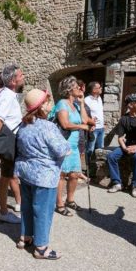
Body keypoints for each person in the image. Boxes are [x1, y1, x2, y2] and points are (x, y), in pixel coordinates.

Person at [15, 89, 71, 260]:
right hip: (44, 175)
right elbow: (62, 149)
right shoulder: (48, 127)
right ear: (41, 107)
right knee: (43, 211)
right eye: (47, 101)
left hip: (25, 172)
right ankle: (41, 247)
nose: (50, 104)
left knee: (27, 206)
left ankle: (26, 236)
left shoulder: (23, 125)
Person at [49, 76, 89, 216]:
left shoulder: (76, 105)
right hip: (63, 144)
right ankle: (59, 204)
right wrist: (81, 126)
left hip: (74, 145)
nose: (79, 88)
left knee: (74, 174)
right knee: (62, 174)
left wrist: (82, 103)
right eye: (77, 86)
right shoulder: (62, 104)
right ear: (69, 89)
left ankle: (70, 200)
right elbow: (65, 124)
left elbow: (85, 119)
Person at [0, 63, 25, 224]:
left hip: (12, 140)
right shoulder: (6, 96)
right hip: (9, 141)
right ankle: (4, 211)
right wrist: (2, 142)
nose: (23, 77)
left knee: (10, 175)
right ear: (13, 80)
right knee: (6, 177)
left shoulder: (10, 94)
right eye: (21, 75)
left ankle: (14, 205)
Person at [106, 94, 136, 198]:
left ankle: (135, 185)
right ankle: (117, 183)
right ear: (131, 105)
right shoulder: (124, 119)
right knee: (111, 156)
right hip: (128, 145)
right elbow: (120, 137)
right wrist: (124, 148)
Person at [84, 81, 105, 165]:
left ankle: (98, 168)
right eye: (99, 87)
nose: (101, 89)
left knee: (100, 149)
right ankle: (87, 167)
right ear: (93, 90)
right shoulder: (87, 100)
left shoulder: (99, 98)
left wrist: (103, 124)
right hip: (93, 128)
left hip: (101, 128)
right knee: (90, 149)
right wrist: (90, 122)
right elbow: (84, 114)